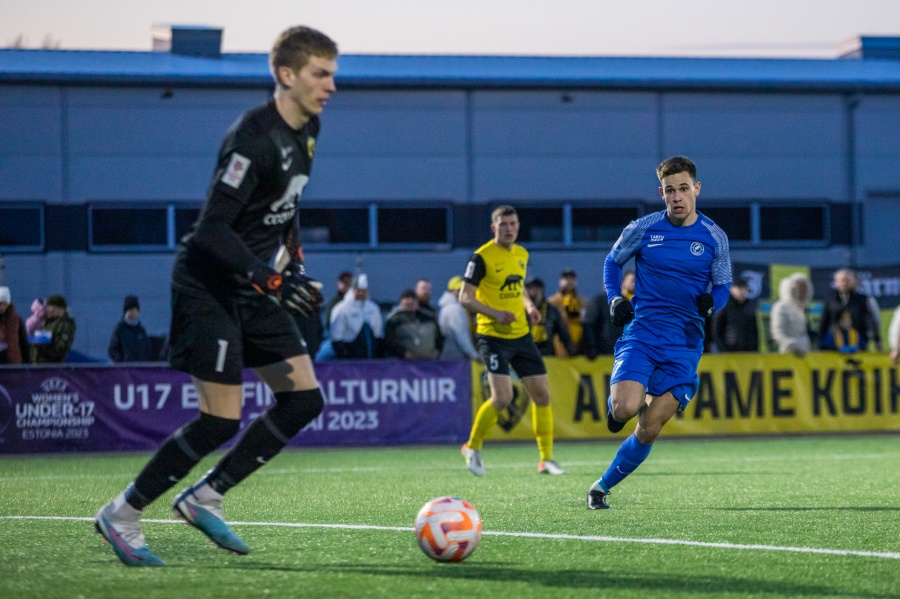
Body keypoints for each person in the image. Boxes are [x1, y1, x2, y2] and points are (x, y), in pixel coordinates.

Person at [94, 26, 337, 567]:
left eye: (332, 74)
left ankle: (205, 496)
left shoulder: (309, 128)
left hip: (253, 285)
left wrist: (293, 261)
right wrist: (272, 280)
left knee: (305, 399)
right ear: (287, 74)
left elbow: (287, 203)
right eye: (321, 74)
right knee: (220, 420)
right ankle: (122, 513)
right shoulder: (252, 137)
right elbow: (211, 230)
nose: (331, 86)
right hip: (208, 285)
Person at [587, 156, 731, 510]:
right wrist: (615, 298)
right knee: (624, 409)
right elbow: (612, 261)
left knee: (650, 426)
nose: (677, 197)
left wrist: (712, 302)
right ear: (661, 193)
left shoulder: (715, 237)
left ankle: (600, 487)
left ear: (696, 189)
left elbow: (723, 286)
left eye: (683, 188)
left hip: (684, 345)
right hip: (643, 334)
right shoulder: (643, 228)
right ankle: (617, 409)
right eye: (669, 190)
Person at [459, 205, 565, 476]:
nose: (509, 229)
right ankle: (472, 447)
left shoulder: (521, 254)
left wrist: (529, 306)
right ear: (493, 228)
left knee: (542, 394)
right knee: (502, 398)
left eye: (513, 224)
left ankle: (546, 460)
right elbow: (465, 297)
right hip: (492, 336)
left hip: (521, 335)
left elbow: (518, 289)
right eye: (503, 224)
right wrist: (494, 313)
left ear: (518, 226)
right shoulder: (481, 257)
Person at [819, 269, 881, 352]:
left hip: (858, 342)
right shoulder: (831, 299)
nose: (844, 283)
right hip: (834, 344)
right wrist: (819, 340)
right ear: (836, 282)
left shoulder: (861, 299)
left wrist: (877, 339)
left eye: (847, 280)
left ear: (852, 282)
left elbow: (869, 320)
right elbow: (824, 321)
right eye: (842, 281)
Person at [329, 274, 384, 359]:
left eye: (364, 291)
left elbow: (378, 333)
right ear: (352, 290)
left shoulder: (373, 308)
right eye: (358, 291)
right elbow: (336, 335)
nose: (361, 293)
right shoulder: (342, 308)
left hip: (370, 353)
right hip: (351, 353)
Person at [583, 270, 634, 358]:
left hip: (620, 351)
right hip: (604, 352)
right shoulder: (598, 301)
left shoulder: (626, 302)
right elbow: (589, 325)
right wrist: (591, 348)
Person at [384, 289, 443, 359]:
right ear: (401, 303)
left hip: (430, 361)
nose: (410, 303)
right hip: (403, 363)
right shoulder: (394, 320)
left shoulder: (428, 317)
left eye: (413, 301)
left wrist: (437, 351)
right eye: (408, 303)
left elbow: (439, 336)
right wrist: (403, 353)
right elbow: (389, 341)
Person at [524, 278, 576, 357]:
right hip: (526, 355)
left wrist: (572, 353)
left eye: (533, 288)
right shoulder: (522, 310)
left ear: (540, 290)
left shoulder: (551, 311)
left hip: (547, 355)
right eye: (528, 288)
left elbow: (563, 334)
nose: (529, 291)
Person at [770, 273, 814, 357]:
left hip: (805, 353)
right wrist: (792, 346)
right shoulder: (781, 307)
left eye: (804, 288)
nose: (802, 291)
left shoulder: (802, 308)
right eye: (800, 287)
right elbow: (777, 333)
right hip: (787, 353)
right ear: (791, 289)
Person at [437, 276, 480, 361]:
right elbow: (461, 335)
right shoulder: (455, 309)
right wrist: (474, 355)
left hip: (451, 356)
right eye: (460, 290)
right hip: (456, 359)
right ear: (453, 291)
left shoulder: (447, 307)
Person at [712, 278, 759, 352]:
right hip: (730, 352)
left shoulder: (749, 309)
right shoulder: (724, 307)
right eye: (739, 288)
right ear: (732, 289)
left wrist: (754, 350)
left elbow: (754, 333)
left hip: (748, 353)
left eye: (745, 288)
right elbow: (717, 332)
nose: (742, 291)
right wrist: (724, 351)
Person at [547, 269, 586, 355]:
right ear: (560, 282)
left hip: (580, 341)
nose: (569, 281)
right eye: (566, 279)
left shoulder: (583, 302)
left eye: (572, 279)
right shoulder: (552, 302)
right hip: (560, 342)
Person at [30, 294, 76, 364]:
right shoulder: (48, 324)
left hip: (49, 367)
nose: (50, 309)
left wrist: (40, 343)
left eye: (54, 307)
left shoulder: (63, 325)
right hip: (38, 365)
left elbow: (60, 349)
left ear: (62, 309)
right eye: (49, 306)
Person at [108, 295, 153, 363]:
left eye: (135, 311)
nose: (133, 313)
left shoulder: (141, 330)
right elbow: (112, 349)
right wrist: (121, 363)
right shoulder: (120, 329)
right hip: (126, 368)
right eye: (131, 310)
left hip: (141, 368)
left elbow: (147, 349)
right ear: (126, 312)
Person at [0, 287, 28, 364]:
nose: (2, 307)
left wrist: (26, 364)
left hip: (13, 363)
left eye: (5, 304)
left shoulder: (16, 320)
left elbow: (23, 343)